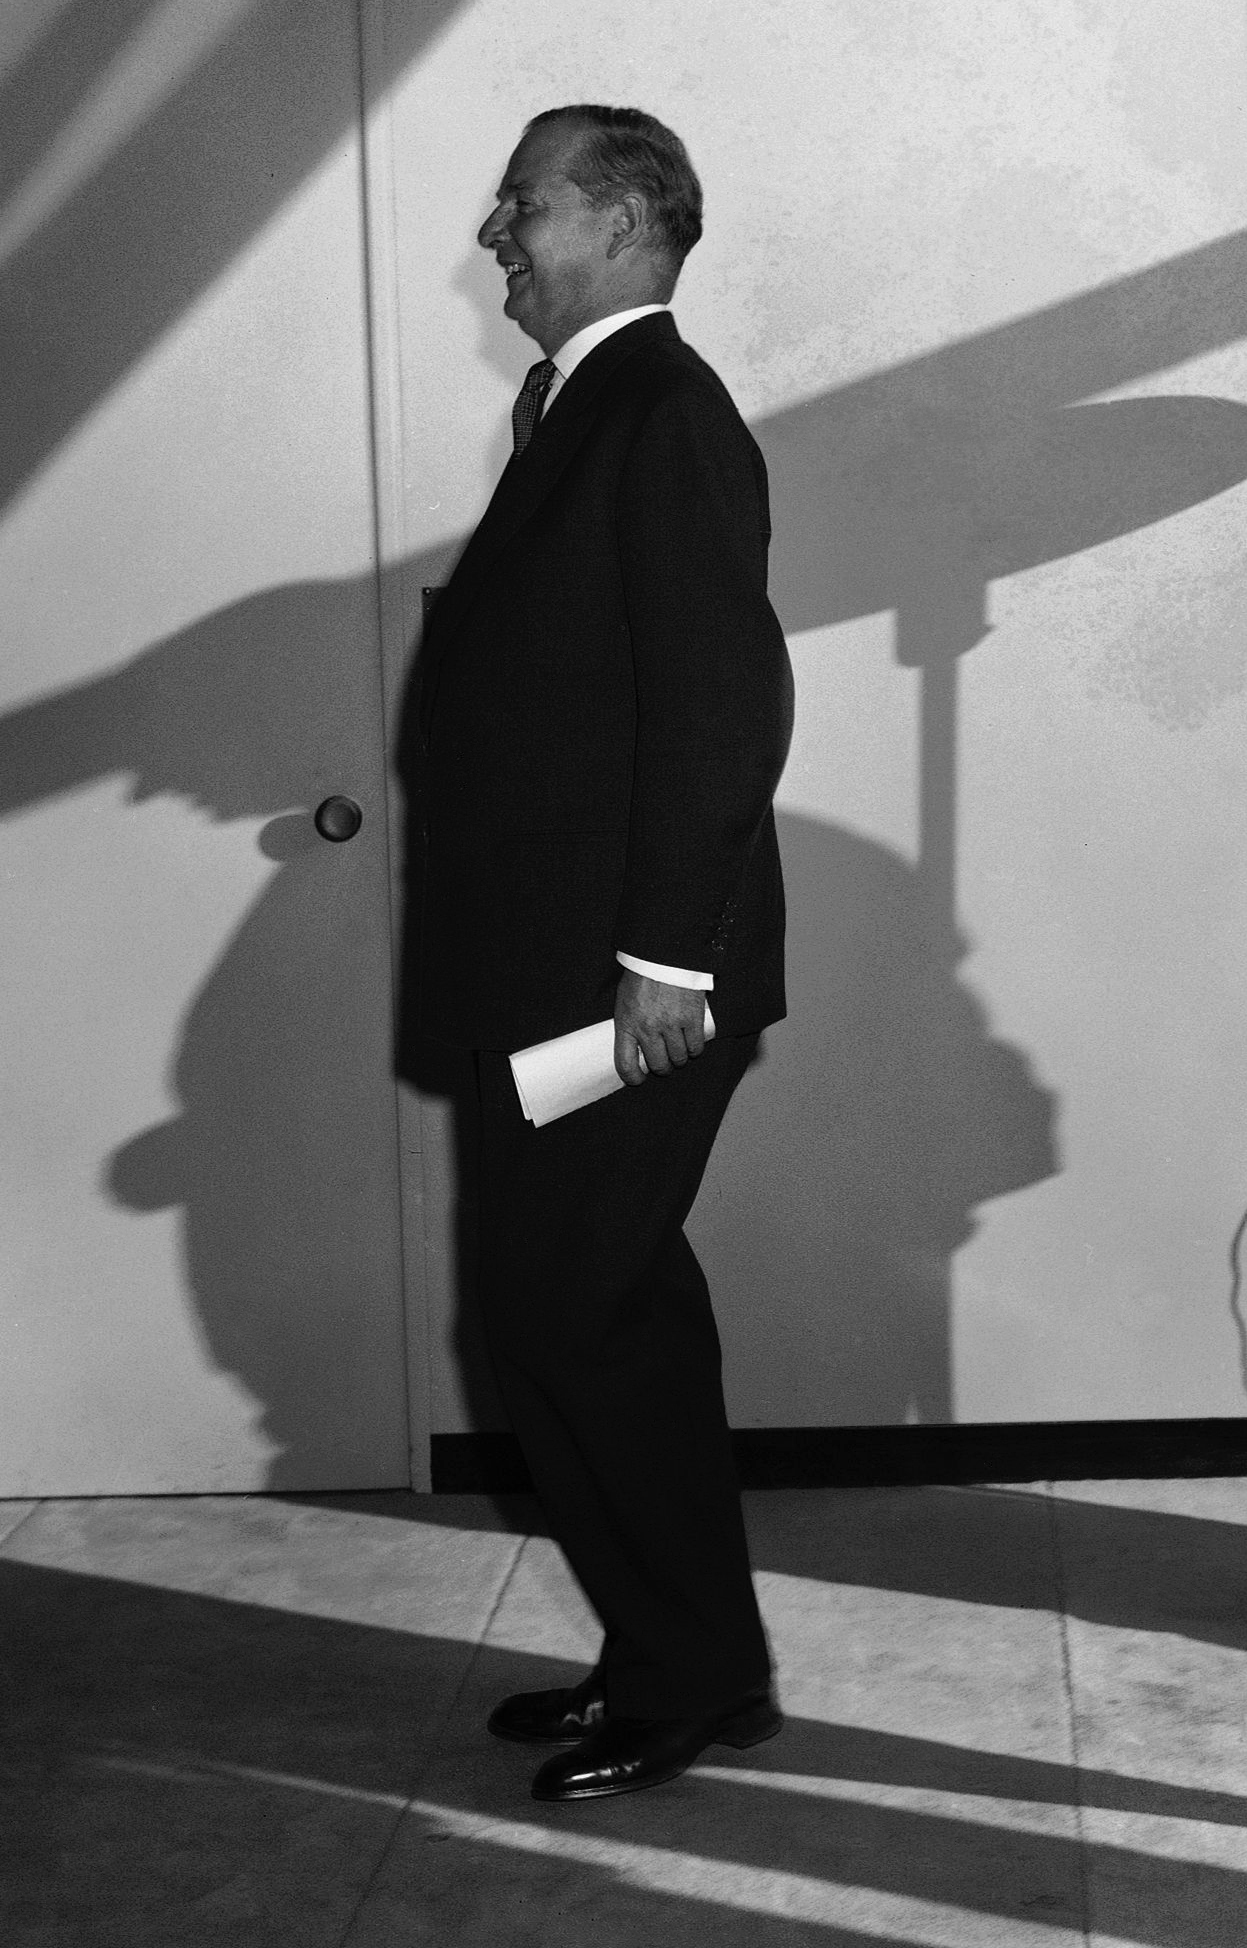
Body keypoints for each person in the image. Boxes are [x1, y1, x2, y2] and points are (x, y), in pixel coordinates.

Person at [394, 105, 793, 1802]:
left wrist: (666, 967)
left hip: (619, 987)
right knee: (586, 1315)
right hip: (551, 975)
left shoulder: (665, 412)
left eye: (529, 200)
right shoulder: (580, 405)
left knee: (578, 1315)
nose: (498, 226)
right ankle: (676, 1654)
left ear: (629, 221)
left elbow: (723, 702)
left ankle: (688, 1675)